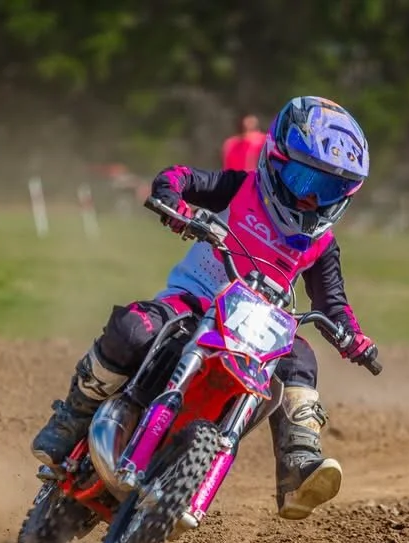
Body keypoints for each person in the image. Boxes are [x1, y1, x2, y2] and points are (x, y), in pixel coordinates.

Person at [30, 96, 379, 520]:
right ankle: (73, 415)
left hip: (259, 329)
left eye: (328, 191)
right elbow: (180, 178)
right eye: (306, 182)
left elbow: (332, 302)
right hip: (195, 300)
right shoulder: (242, 187)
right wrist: (174, 204)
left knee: (301, 356)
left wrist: (353, 337)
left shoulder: (321, 244)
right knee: (134, 329)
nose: (311, 201)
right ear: (276, 159)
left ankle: (298, 463)